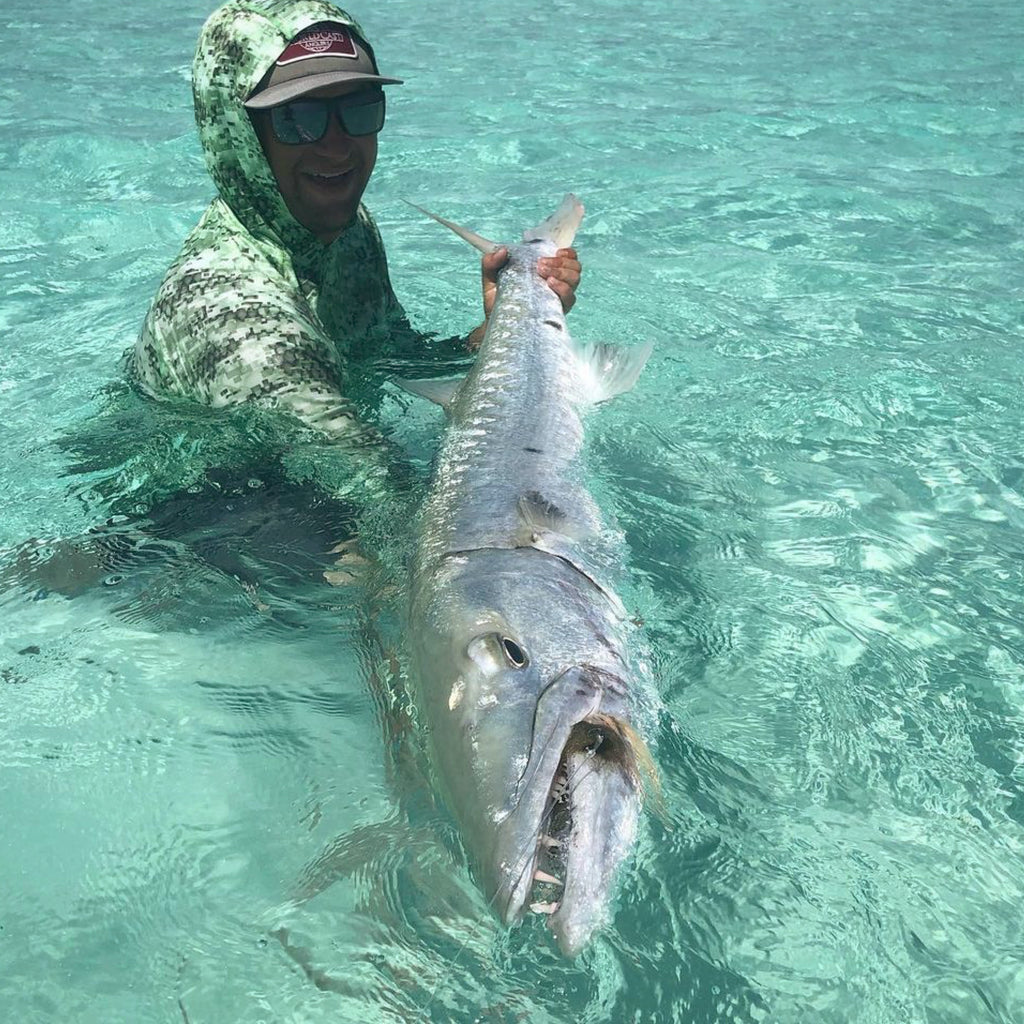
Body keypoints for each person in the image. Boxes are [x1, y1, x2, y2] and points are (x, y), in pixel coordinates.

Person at [131, 0, 581, 445]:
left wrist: (499, 331)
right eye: (297, 117)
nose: (337, 147)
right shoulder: (241, 322)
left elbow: (389, 358)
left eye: (359, 107)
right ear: (242, 135)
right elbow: (378, 497)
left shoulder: (341, 229)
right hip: (199, 506)